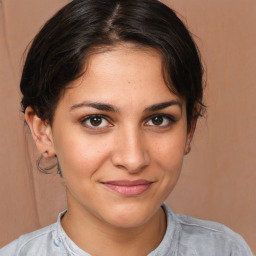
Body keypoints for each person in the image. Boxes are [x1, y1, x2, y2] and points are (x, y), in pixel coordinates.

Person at [0, 0, 253, 255]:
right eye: (95, 120)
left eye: (158, 119)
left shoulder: (228, 250)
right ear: (43, 132)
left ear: (189, 129)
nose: (133, 159)